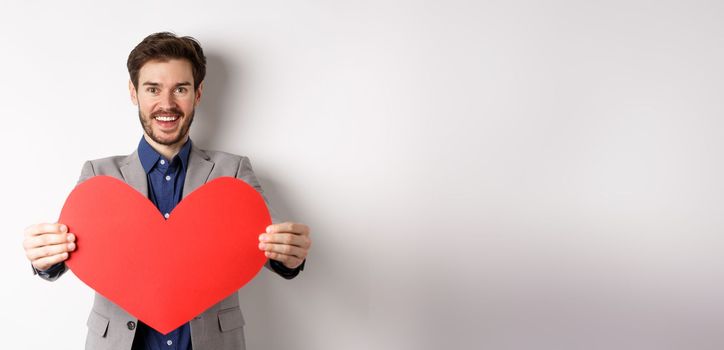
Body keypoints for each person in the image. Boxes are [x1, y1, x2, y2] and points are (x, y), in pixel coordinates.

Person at [21, 32, 312, 350]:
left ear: (198, 93)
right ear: (134, 93)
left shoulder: (234, 171)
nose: (167, 103)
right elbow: (70, 255)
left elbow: (268, 253)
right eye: (153, 89)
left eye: (181, 89)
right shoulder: (98, 176)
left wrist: (289, 255)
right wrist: (45, 258)